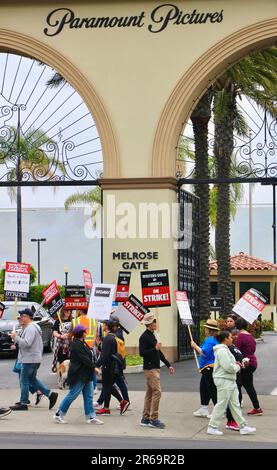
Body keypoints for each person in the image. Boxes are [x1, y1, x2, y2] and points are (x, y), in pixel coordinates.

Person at [207, 330, 256, 436]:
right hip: (224, 380)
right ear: (225, 339)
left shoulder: (224, 350)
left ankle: (243, 426)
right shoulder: (222, 351)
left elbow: (228, 365)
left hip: (229, 380)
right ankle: (212, 426)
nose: (232, 338)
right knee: (222, 403)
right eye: (230, 337)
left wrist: (236, 364)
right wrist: (238, 366)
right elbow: (228, 367)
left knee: (235, 404)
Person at [9, 308, 58, 411]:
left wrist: (16, 337)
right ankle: (50, 394)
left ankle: (23, 403)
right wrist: (16, 338)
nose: (20, 318)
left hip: (30, 359)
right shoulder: (30, 327)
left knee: (24, 380)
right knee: (32, 379)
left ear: (27, 317)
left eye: (21, 316)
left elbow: (27, 343)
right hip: (32, 358)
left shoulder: (31, 328)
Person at [53, 324, 103, 425]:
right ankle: (58, 414)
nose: (86, 332)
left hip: (86, 374)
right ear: (80, 333)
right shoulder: (76, 344)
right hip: (79, 374)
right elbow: (84, 359)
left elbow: (88, 357)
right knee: (72, 395)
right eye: (85, 331)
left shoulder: (82, 342)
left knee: (89, 396)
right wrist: (94, 368)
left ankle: (91, 417)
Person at [139, 312, 174, 429]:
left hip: (154, 367)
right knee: (157, 392)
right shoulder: (144, 336)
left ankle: (145, 418)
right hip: (150, 368)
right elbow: (142, 353)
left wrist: (168, 364)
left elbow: (158, 352)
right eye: (154, 322)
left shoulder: (153, 335)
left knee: (150, 393)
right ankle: (153, 419)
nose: (156, 324)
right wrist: (154, 348)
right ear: (149, 324)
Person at [96, 319, 126, 416]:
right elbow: (109, 350)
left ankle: (109, 407)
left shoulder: (107, 338)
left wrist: (95, 365)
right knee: (108, 386)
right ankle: (114, 405)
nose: (102, 326)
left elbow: (104, 356)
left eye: (104, 324)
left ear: (107, 326)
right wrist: (99, 344)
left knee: (107, 386)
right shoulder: (113, 337)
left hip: (108, 366)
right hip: (113, 366)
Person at [191, 319, 219, 418]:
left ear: (209, 330)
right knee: (204, 388)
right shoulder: (214, 339)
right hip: (207, 368)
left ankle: (218, 410)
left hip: (209, 368)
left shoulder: (209, 340)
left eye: (206, 328)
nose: (204, 330)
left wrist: (194, 346)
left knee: (212, 389)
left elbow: (204, 353)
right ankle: (204, 408)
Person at [235, 317, 263, 415]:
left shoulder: (241, 336)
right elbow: (253, 349)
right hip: (252, 362)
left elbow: (236, 351)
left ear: (237, 326)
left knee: (243, 386)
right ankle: (256, 408)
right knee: (240, 384)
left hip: (245, 363)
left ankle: (256, 408)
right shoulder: (250, 336)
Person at [52, 309, 72, 377]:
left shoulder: (73, 320)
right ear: (63, 311)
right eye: (66, 311)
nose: (68, 312)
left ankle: (69, 377)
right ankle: (62, 378)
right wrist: (61, 336)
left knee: (71, 362)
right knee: (62, 362)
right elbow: (54, 333)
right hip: (61, 346)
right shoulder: (58, 321)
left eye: (69, 311)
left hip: (71, 345)